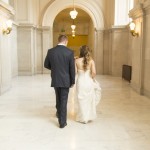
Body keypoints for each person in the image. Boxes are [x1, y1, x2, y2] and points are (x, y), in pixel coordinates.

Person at [44, 35, 75, 128]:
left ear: (59, 41)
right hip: (66, 80)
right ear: (66, 41)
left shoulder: (51, 51)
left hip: (55, 78)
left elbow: (46, 65)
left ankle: (58, 112)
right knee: (64, 100)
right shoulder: (69, 52)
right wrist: (72, 81)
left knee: (58, 97)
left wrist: (54, 69)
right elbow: (71, 69)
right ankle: (62, 122)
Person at [75, 45, 100, 123]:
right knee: (88, 100)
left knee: (81, 100)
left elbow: (74, 73)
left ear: (80, 52)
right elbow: (94, 73)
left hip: (80, 82)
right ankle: (88, 116)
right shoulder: (91, 61)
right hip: (88, 82)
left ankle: (83, 117)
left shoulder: (76, 61)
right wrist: (91, 78)